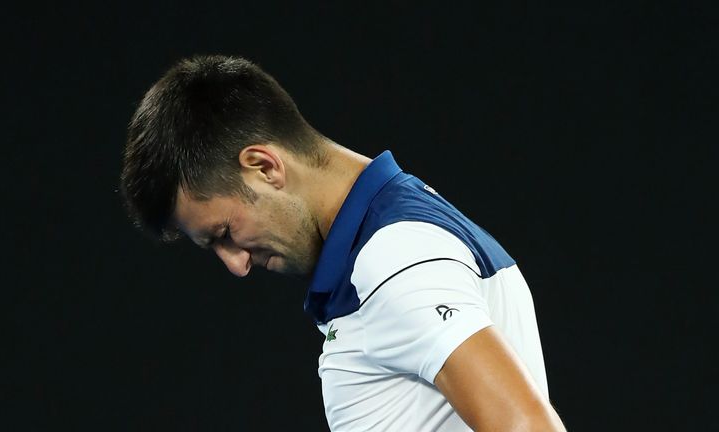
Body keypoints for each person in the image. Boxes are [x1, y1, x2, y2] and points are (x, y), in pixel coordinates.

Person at [120, 54, 566, 432]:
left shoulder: (393, 259)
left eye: (224, 234)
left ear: (263, 167)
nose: (236, 264)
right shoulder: (395, 235)